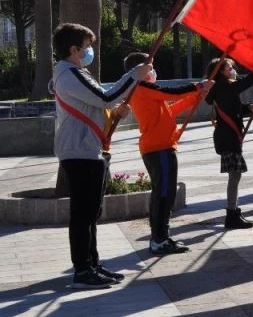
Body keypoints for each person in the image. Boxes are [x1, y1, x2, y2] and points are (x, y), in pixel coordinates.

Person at [50, 23, 151, 289]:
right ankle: (83, 270)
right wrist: (134, 74)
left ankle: (92, 263)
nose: (89, 52)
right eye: (86, 47)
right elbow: (105, 97)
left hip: (88, 149)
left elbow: (97, 105)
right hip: (79, 151)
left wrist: (115, 113)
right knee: (83, 214)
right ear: (74, 49)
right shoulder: (69, 74)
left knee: (91, 213)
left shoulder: (75, 73)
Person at [124, 52, 213, 255]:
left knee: (164, 193)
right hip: (158, 148)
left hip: (162, 146)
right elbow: (171, 93)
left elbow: (170, 110)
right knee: (164, 194)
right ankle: (159, 239)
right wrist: (198, 86)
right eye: (150, 66)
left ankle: (160, 237)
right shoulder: (142, 87)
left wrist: (194, 98)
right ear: (139, 70)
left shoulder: (145, 90)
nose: (153, 70)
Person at [205, 58, 253, 228]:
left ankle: (234, 211)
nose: (233, 70)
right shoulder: (222, 87)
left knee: (235, 175)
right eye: (229, 68)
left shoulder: (224, 88)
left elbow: (233, 108)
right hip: (227, 136)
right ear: (221, 72)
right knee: (235, 175)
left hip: (229, 136)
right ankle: (231, 214)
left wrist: (248, 108)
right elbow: (247, 82)